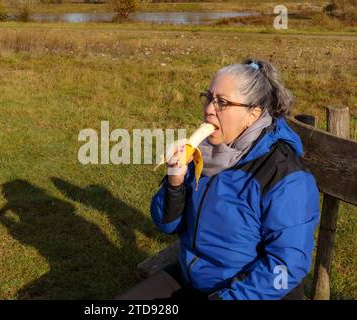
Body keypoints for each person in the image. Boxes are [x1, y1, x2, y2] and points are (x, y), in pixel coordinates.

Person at [116, 58, 320, 300]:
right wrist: (175, 182)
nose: (209, 109)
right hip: (195, 276)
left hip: (248, 291)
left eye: (222, 102)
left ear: (252, 114)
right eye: (209, 97)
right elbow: (166, 224)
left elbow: (287, 266)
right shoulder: (201, 153)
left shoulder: (284, 175)